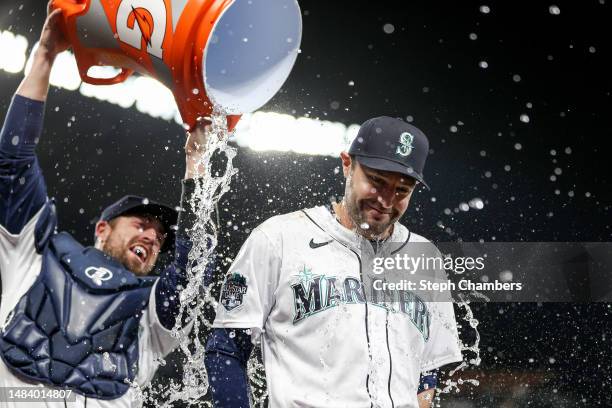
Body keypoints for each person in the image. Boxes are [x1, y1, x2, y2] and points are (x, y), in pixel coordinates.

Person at [0, 4, 212, 407]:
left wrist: (197, 156)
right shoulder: (35, 255)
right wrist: (45, 52)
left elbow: (195, 255)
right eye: (141, 223)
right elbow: (13, 163)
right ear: (103, 228)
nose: (153, 235)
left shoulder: (153, 313)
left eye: (160, 235)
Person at [205, 116, 463, 407]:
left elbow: (426, 370)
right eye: (377, 182)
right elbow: (226, 347)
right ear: (347, 164)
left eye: (402, 190)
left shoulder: (424, 256)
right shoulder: (279, 237)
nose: (386, 200)